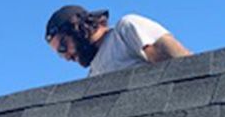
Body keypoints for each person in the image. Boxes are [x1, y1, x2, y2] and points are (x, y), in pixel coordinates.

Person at [45, 5, 191, 77]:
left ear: (78, 28)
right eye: (59, 54)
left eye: (63, 47)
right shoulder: (92, 75)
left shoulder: (125, 30)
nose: (66, 57)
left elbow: (185, 66)